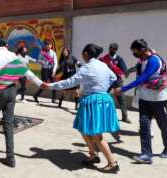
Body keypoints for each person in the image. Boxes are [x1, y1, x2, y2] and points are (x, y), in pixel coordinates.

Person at [43, 44, 120, 173]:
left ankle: (112, 162)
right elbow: (113, 78)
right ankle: (92, 155)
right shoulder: (103, 65)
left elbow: (69, 82)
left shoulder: (87, 68)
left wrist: (50, 86)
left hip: (92, 102)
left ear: (85, 54)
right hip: (103, 100)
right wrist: (102, 89)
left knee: (97, 134)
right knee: (84, 129)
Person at [0, 38, 43, 168]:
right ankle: (10, 157)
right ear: (6, 45)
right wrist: (40, 83)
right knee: (8, 123)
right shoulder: (12, 55)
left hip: (0, 91)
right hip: (12, 90)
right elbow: (26, 72)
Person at [115, 39, 167, 164]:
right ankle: (146, 154)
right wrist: (126, 72)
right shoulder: (142, 60)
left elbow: (143, 78)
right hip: (144, 100)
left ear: (142, 50)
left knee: (163, 125)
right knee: (144, 126)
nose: (133, 54)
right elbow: (136, 69)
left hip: (158, 100)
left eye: (134, 51)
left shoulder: (154, 61)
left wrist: (123, 89)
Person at [101, 43, 130, 123]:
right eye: (110, 48)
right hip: (106, 80)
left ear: (116, 50)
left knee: (122, 99)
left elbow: (124, 68)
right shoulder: (104, 58)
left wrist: (126, 72)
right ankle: (101, 114)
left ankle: (125, 116)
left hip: (117, 81)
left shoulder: (119, 59)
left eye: (113, 49)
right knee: (102, 95)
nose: (111, 50)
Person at [33, 39, 58, 103]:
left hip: (51, 70)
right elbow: (39, 60)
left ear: (51, 45)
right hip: (44, 70)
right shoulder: (42, 52)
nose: (49, 46)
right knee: (44, 84)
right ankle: (36, 95)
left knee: (54, 83)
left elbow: (55, 62)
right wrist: (42, 62)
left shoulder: (53, 53)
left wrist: (54, 71)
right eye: (47, 45)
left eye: (50, 45)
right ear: (45, 46)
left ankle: (54, 99)